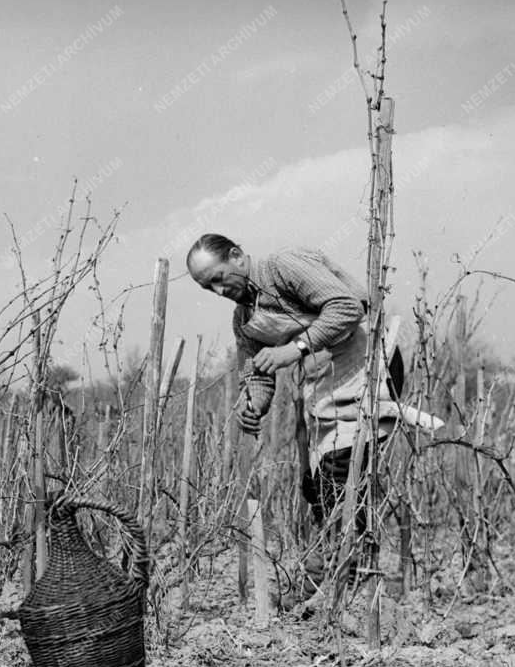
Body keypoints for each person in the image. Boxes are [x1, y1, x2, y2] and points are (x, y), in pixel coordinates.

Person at [186, 233, 438, 606]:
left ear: (237, 256)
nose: (219, 290)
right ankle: (343, 579)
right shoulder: (244, 319)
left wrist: (295, 349)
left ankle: (332, 585)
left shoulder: (283, 267)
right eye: (208, 288)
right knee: (316, 486)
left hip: (368, 364)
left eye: (220, 278)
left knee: (341, 477)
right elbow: (256, 375)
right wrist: (252, 405)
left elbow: (346, 308)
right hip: (326, 384)